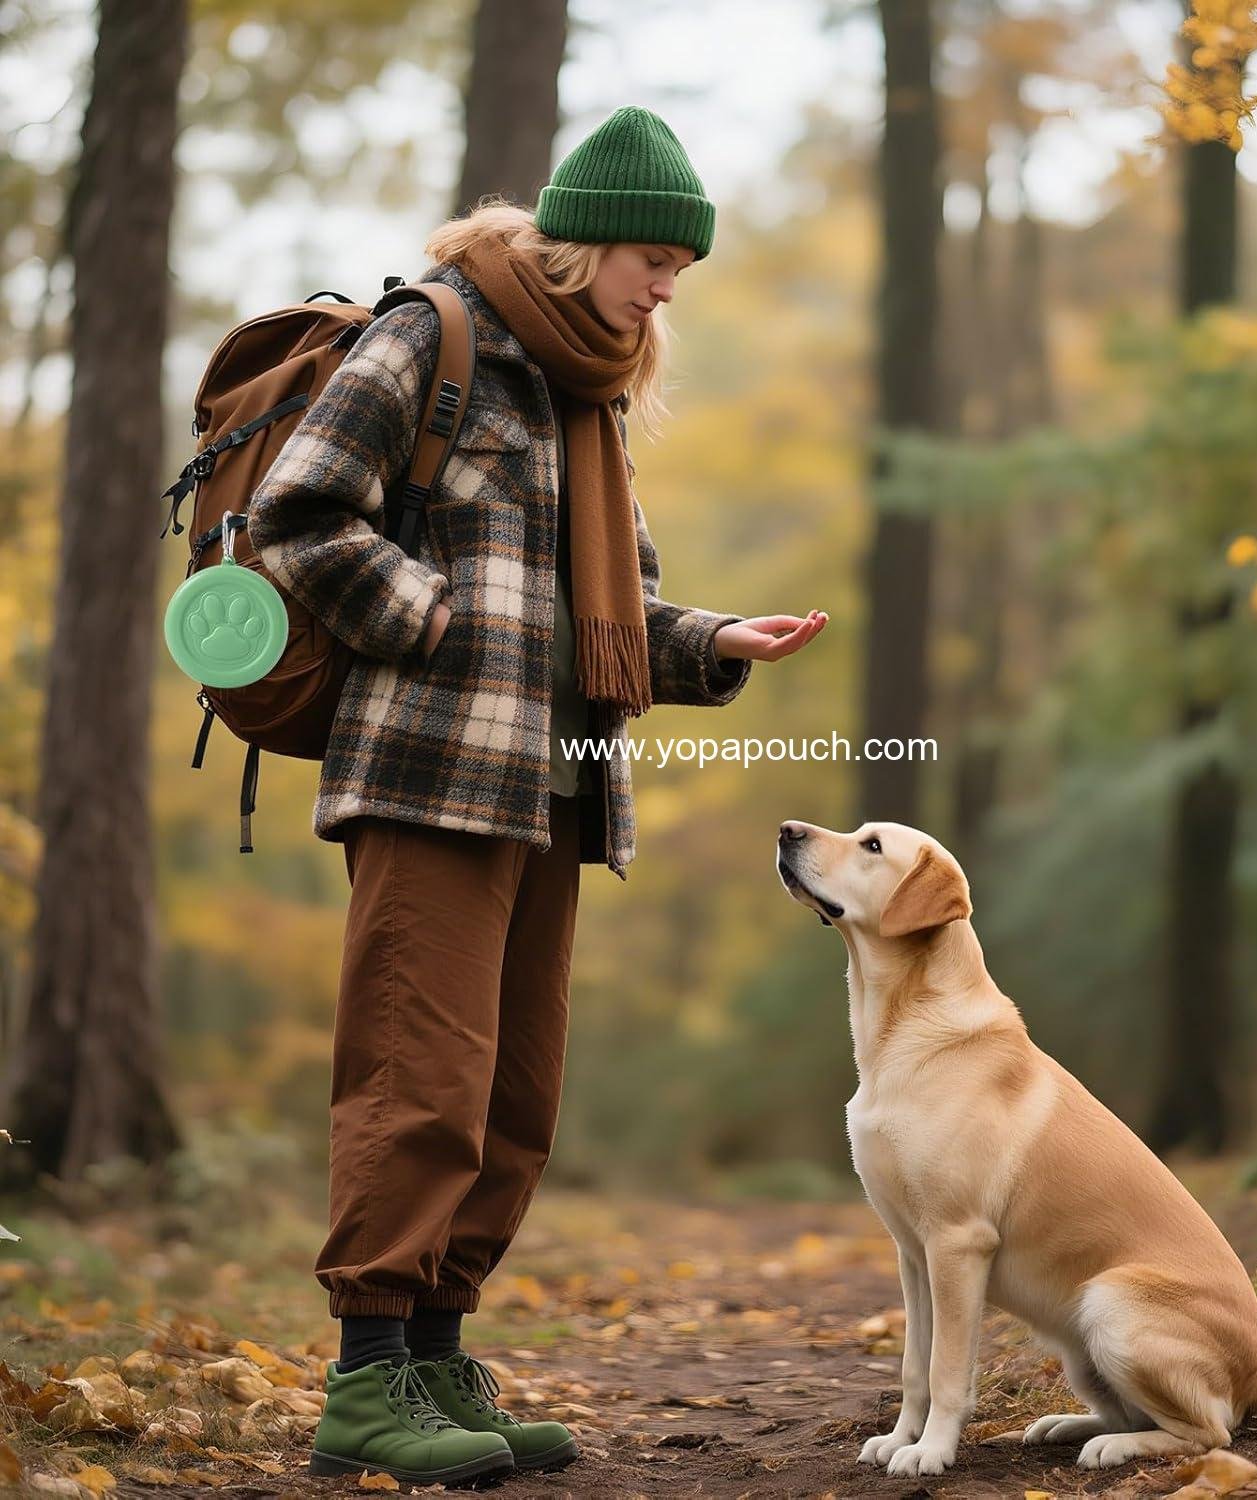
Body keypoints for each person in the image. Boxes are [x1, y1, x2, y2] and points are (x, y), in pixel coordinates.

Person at [246, 104, 828, 1486]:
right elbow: (302, 514)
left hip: (554, 788)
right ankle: (366, 1383)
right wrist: (438, 624)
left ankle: (441, 1362)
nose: (668, 285)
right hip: (432, 772)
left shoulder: (589, 393)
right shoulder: (432, 334)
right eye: (654, 255)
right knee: (419, 1076)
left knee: (514, 1091)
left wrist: (713, 642)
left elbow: (602, 611)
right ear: (587, 244)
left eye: (683, 266)